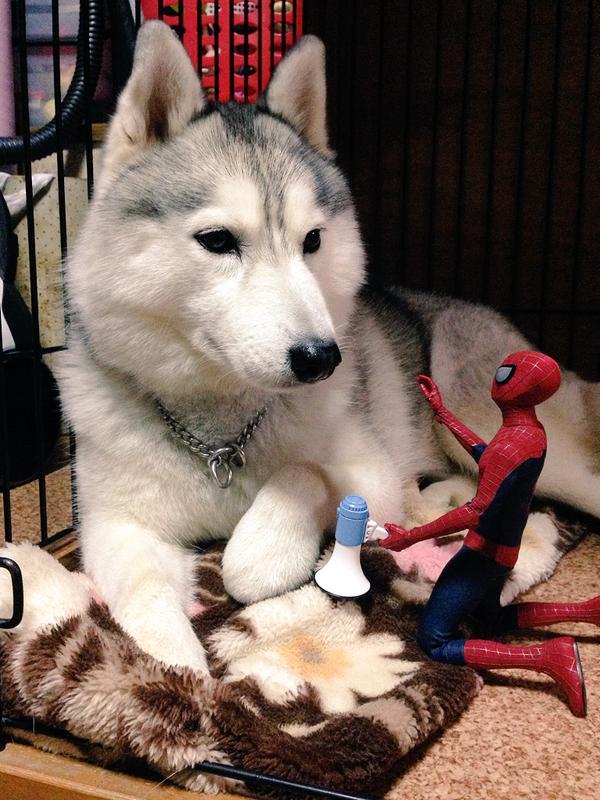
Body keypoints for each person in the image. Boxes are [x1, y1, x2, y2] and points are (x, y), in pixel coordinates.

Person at [381, 351, 599, 717]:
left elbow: (476, 509)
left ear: (518, 386)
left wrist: (412, 536)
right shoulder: (529, 433)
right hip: (505, 551)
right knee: (490, 618)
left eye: (505, 373)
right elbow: (489, 456)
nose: (497, 379)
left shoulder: (511, 444)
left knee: (434, 641)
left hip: (482, 555)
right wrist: (443, 414)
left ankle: (547, 657)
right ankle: (585, 610)